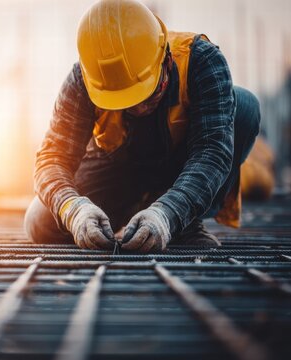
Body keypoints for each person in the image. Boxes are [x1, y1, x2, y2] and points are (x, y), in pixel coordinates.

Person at [24, 0, 261, 253]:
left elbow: (212, 153)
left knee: (245, 107)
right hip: (117, 168)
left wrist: (167, 214)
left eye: (148, 94)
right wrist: (74, 210)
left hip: (181, 164)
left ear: (166, 61)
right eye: (124, 101)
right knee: (40, 222)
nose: (138, 108)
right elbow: (52, 159)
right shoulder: (84, 78)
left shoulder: (203, 61)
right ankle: (136, 211)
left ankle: (182, 222)